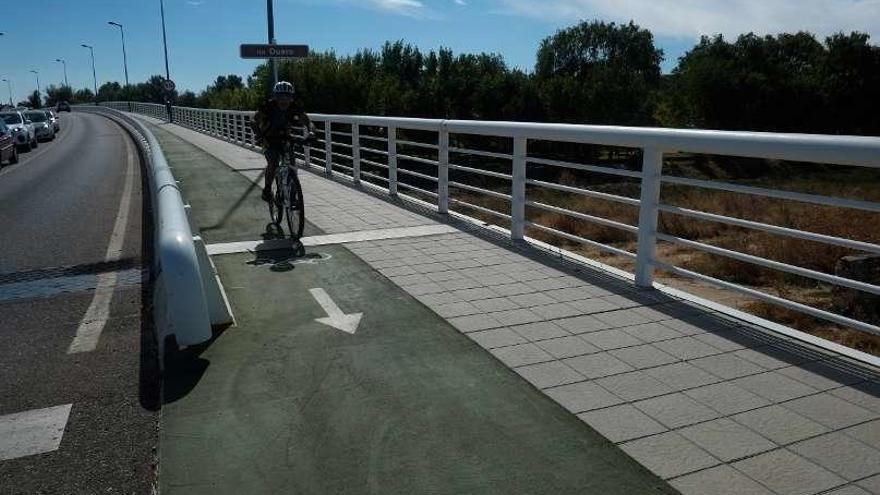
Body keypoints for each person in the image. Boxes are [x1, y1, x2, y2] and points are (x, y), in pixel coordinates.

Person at [252, 81, 316, 202]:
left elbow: (308, 121)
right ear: (275, 97)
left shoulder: (294, 106)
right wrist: (260, 136)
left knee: (292, 165)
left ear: (291, 98)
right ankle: (267, 190)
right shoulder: (268, 106)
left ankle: (292, 196)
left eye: (288, 96)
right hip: (268, 138)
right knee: (273, 163)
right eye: (280, 96)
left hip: (285, 137)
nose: (284, 100)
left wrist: (311, 132)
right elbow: (253, 121)